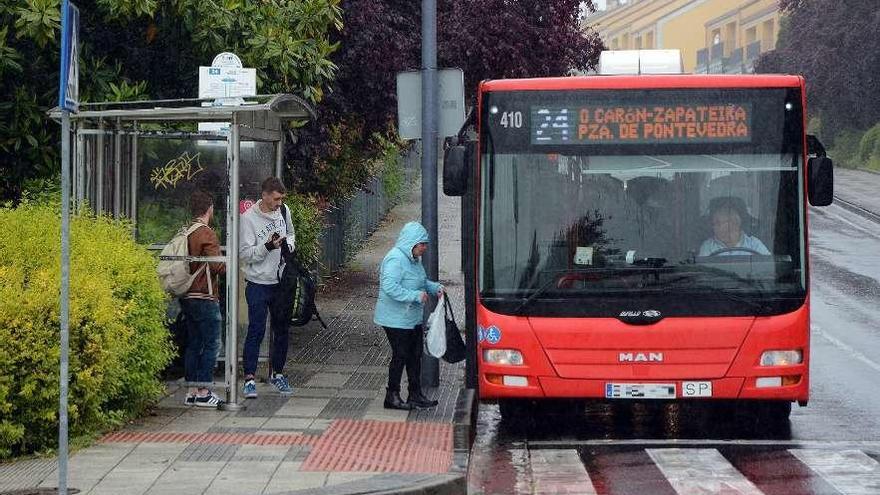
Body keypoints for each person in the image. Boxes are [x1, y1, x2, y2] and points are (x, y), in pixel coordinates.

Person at [374, 221, 444, 410]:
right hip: (394, 319)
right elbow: (389, 287)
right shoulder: (395, 259)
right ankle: (392, 395)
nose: (425, 248)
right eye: (422, 244)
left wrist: (435, 287)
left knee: (415, 355)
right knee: (401, 354)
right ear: (411, 243)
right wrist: (413, 296)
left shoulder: (414, 261)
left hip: (411, 318)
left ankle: (415, 394)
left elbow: (420, 282)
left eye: (425, 244)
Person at [239, 177, 296, 398]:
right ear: (264, 195)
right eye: (276, 199)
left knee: (282, 329)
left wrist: (288, 245)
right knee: (256, 329)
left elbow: (290, 233)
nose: (279, 203)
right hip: (258, 282)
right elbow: (245, 254)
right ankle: (250, 378)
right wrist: (267, 247)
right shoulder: (248, 219)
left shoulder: (283, 212)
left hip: (280, 281)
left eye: (281, 199)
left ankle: (278, 373)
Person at [182, 190, 226, 408]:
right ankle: (204, 391)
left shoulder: (186, 231)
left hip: (187, 295)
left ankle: (191, 390)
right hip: (204, 295)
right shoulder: (206, 233)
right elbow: (217, 265)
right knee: (212, 343)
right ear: (210, 209)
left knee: (194, 343)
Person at [698, 197, 770, 256]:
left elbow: (767, 266)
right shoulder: (708, 246)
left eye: (718, 223)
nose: (715, 228)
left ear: (734, 223)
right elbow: (702, 271)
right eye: (714, 224)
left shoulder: (754, 244)